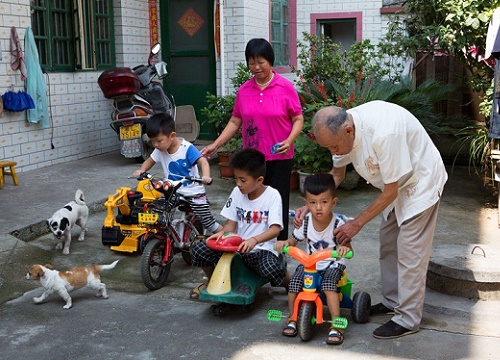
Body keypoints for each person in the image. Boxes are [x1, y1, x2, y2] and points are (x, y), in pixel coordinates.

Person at [295, 100, 448, 339]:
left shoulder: (384, 133)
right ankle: (392, 301)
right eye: (328, 148)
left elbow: (390, 191)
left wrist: (357, 223)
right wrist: (312, 202)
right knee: (388, 243)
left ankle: (407, 318)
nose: (333, 152)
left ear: (349, 131)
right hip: (395, 184)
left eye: (334, 147)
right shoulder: (340, 132)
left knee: (410, 250)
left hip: (421, 181)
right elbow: (336, 174)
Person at [201, 38, 304, 240]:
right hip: (253, 159)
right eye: (252, 62)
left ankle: (278, 246)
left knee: (278, 203)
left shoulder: (285, 87)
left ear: (270, 61)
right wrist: (216, 144)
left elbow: (298, 119)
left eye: (261, 62)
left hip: (279, 157)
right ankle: (252, 240)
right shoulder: (244, 90)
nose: (256, 67)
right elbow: (235, 121)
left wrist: (290, 140)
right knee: (250, 200)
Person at [189, 148, 289, 299]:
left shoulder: (272, 195)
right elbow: (230, 225)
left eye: (243, 180)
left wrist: (254, 240)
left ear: (259, 180)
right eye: (236, 178)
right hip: (237, 248)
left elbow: (275, 229)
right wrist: (220, 235)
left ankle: (291, 283)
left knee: (271, 268)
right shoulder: (237, 192)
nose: (238, 184)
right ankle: (211, 281)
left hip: (261, 250)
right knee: (200, 249)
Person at [276, 173, 352, 345]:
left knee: (328, 285)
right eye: (312, 202)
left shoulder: (338, 224)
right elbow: (293, 240)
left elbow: (348, 248)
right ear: (306, 203)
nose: (318, 207)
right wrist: (285, 243)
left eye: (324, 202)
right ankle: (293, 318)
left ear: (333, 202)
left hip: (333, 264)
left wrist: (343, 248)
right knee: (295, 282)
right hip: (310, 264)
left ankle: (336, 324)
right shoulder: (306, 222)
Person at [133, 112, 222, 234]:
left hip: (193, 192)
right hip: (173, 192)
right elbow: (149, 161)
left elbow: (203, 161)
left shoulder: (186, 148)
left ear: (172, 135)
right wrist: (142, 171)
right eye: (152, 141)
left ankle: (224, 235)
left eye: (159, 141)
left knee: (207, 221)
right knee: (159, 213)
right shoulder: (160, 150)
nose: (155, 145)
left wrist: (206, 176)